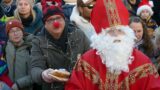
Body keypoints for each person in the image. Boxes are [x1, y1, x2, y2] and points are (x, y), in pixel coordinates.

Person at [65, 0, 160, 89]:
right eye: (110, 31)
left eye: (120, 30)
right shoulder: (85, 63)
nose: (117, 35)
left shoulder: (143, 63)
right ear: (100, 37)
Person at [30, 0, 90, 89]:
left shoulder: (78, 34)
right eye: (50, 20)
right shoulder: (38, 41)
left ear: (64, 20)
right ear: (45, 24)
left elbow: (90, 58)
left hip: (78, 85)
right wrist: (43, 74)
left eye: (58, 18)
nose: (55, 23)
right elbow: (35, 69)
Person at [5, 18, 34, 90]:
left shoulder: (31, 47)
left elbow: (35, 74)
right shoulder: (5, 48)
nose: (15, 34)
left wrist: (18, 84)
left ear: (22, 32)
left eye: (18, 30)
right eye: (11, 31)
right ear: (8, 35)